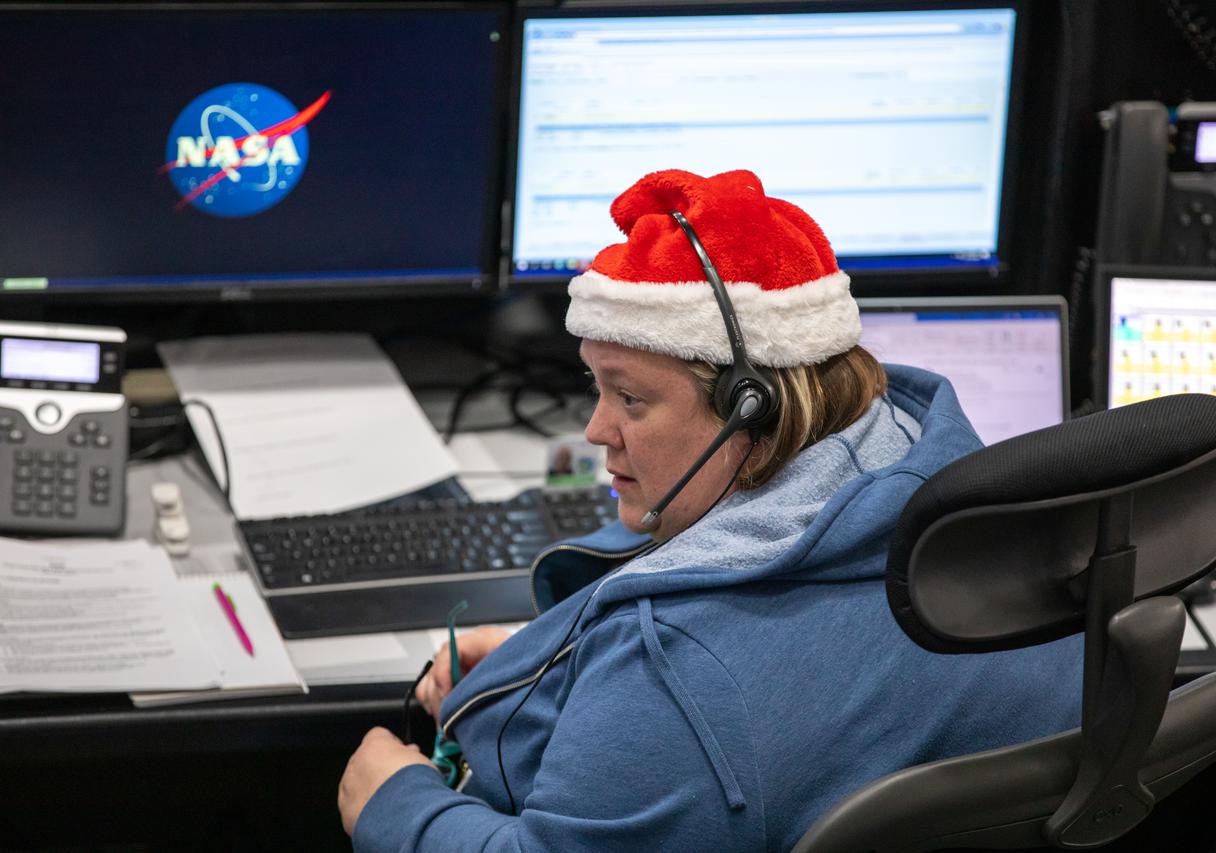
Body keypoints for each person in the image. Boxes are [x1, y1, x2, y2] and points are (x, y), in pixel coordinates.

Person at [338, 169, 1084, 852]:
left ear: (748, 409)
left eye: (629, 397)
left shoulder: (677, 677)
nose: (597, 429)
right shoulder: (973, 510)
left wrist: (399, 805)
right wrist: (558, 657)